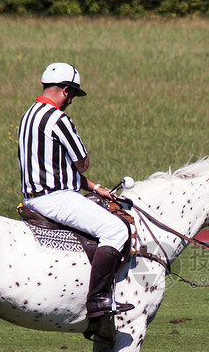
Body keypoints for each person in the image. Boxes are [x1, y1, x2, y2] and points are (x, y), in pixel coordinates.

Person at [17, 62, 133, 319]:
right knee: (116, 230)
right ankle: (98, 300)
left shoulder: (28, 116)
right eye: (72, 96)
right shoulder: (58, 118)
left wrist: (95, 187)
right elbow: (82, 163)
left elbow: (53, 166)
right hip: (56, 199)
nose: (71, 102)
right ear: (66, 91)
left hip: (32, 198)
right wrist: (84, 171)